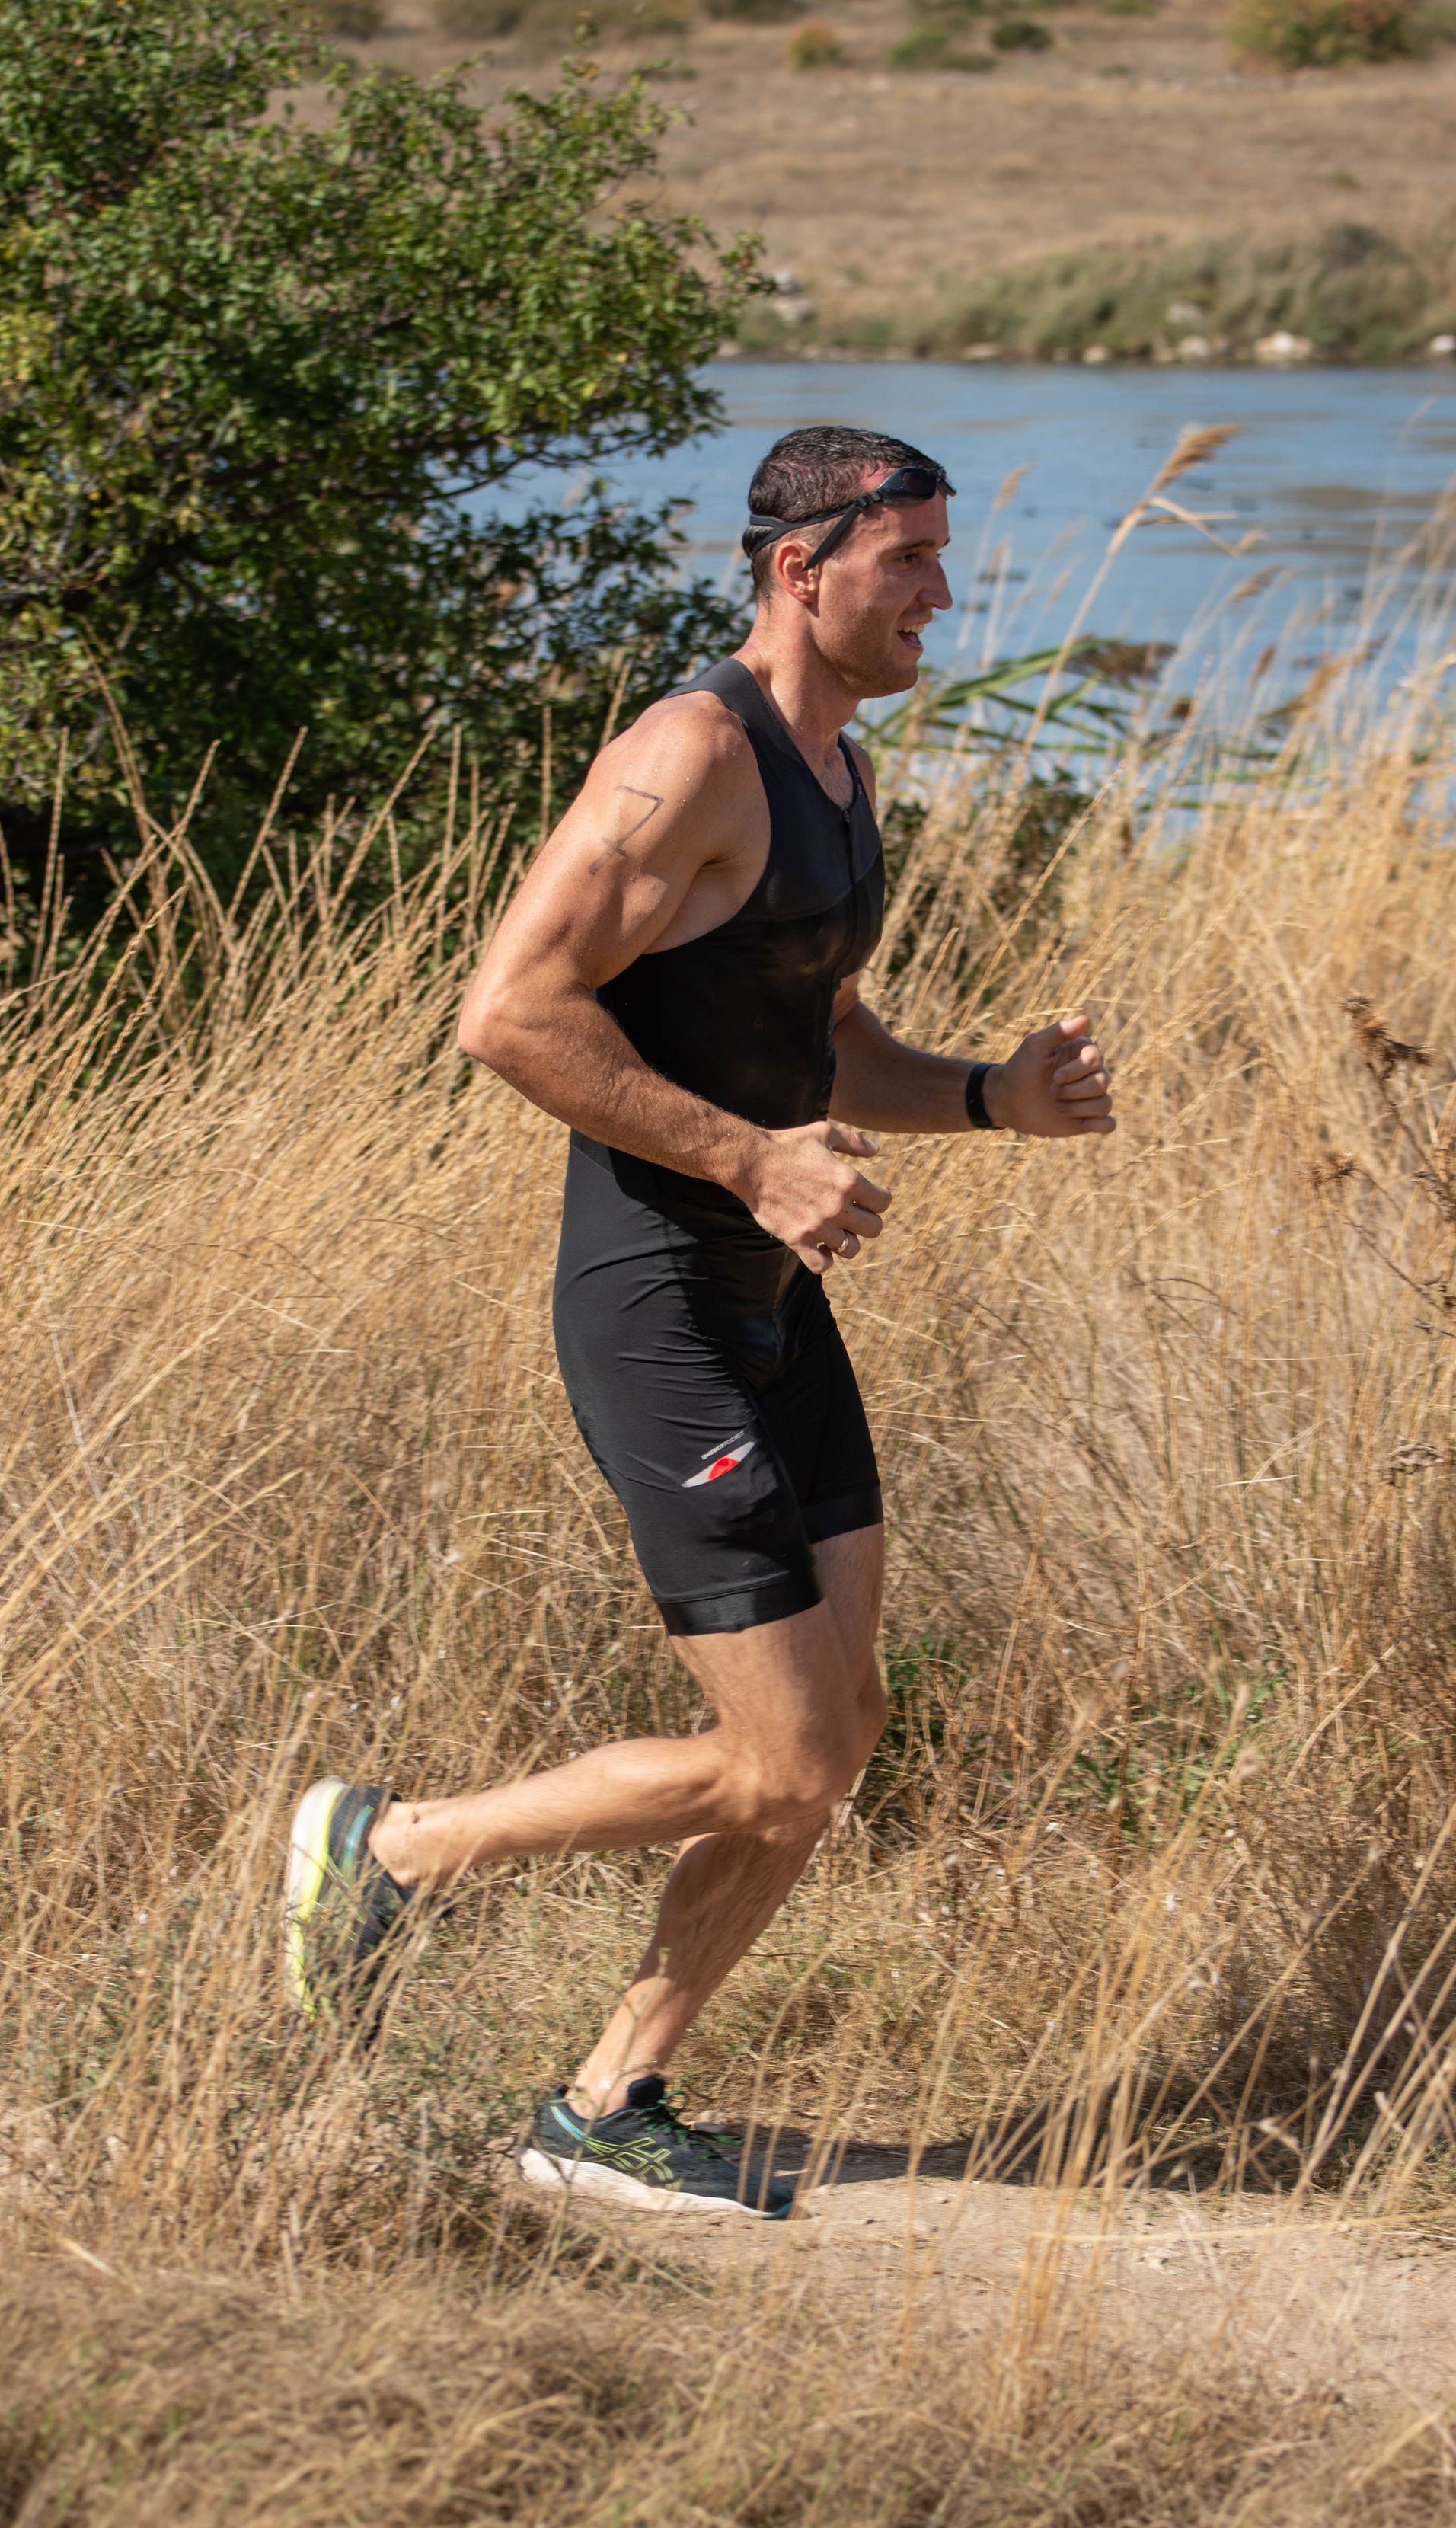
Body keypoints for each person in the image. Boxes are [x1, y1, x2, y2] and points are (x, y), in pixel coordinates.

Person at [283, 424, 1116, 2218]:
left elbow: (814, 1034)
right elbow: (506, 1011)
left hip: (770, 1304)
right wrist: (748, 1164)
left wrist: (985, 1099)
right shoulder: (689, 754)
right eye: (908, 562)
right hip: (655, 1293)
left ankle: (606, 2101)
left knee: (833, 1745)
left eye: (941, 559)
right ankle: (402, 1846)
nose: (941, 595)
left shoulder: (836, 769)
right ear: (799, 566)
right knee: (785, 1753)